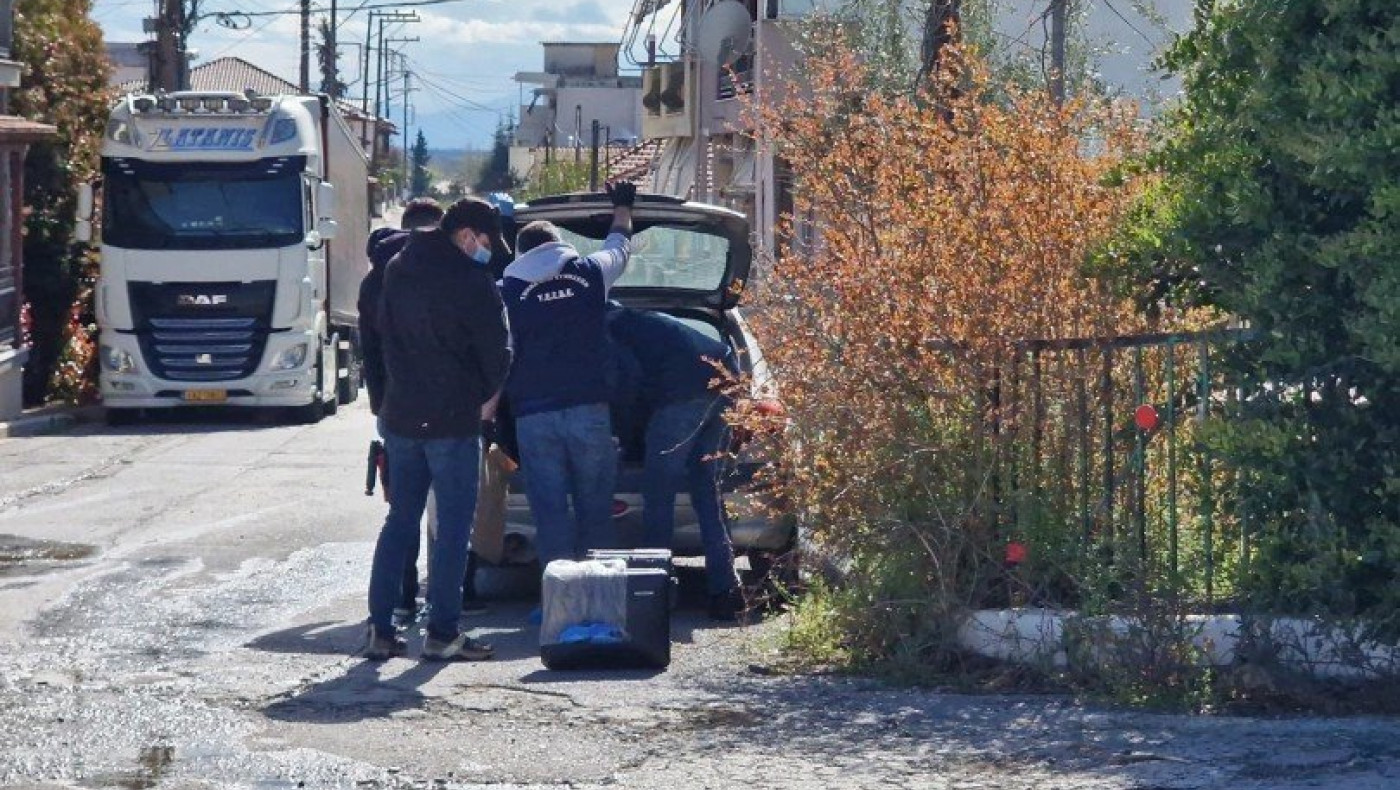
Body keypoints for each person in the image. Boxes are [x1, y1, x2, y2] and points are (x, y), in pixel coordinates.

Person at [365, 197, 511, 661]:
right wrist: (484, 397)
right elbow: (497, 353)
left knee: (399, 523)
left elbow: (379, 338)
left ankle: (380, 628)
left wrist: (386, 399)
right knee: (452, 529)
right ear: (467, 235)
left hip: (402, 416)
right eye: (486, 242)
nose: (488, 251)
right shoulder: (473, 281)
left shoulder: (398, 267)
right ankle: (443, 631)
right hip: (452, 420)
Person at [500, 181, 635, 573]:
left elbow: (502, 353)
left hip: (534, 415)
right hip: (588, 410)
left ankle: (557, 604)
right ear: (559, 243)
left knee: (549, 511)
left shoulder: (508, 289)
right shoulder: (591, 273)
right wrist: (622, 208)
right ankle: (604, 603)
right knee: (596, 508)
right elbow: (619, 248)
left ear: (521, 253)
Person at [606, 304, 744, 620]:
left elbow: (625, 389)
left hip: (680, 401)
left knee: (659, 493)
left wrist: (623, 439)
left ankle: (657, 591)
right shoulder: (654, 323)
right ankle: (725, 591)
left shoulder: (617, 333)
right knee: (708, 491)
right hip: (724, 389)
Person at [358, 198, 445, 626]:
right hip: (446, 409)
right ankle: (449, 603)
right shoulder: (439, 270)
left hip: (394, 409)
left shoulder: (374, 278)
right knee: (450, 507)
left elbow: (369, 351)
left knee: (402, 510)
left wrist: (379, 402)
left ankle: (402, 599)